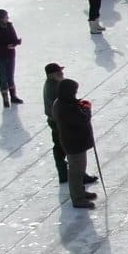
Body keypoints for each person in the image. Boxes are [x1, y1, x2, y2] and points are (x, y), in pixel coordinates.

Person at [41, 63, 95, 188]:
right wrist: (81, 107)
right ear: (52, 75)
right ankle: (77, 176)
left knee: (60, 147)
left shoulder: (53, 85)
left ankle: (64, 173)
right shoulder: (55, 89)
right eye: (59, 73)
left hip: (55, 121)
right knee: (70, 151)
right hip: (58, 122)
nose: (62, 75)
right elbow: (65, 105)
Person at [51, 78, 97, 208]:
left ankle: (80, 192)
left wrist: (79, 104)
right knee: (76, 171)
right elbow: (82, 120)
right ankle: (77, 198)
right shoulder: (65, 108)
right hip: (74, 143)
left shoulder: (62, 103)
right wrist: (87, 109)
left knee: (79, 169)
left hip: (75, 142)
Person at [0, 9, 22, 107]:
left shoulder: (9, 26)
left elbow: (14, 38)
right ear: (1, 18)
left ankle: (13, 97)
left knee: (10, 76)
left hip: (10, 55)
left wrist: (16, 42)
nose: (8, 18)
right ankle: (6, 99)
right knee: (3, 77)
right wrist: (6, 47)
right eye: (6, 17)